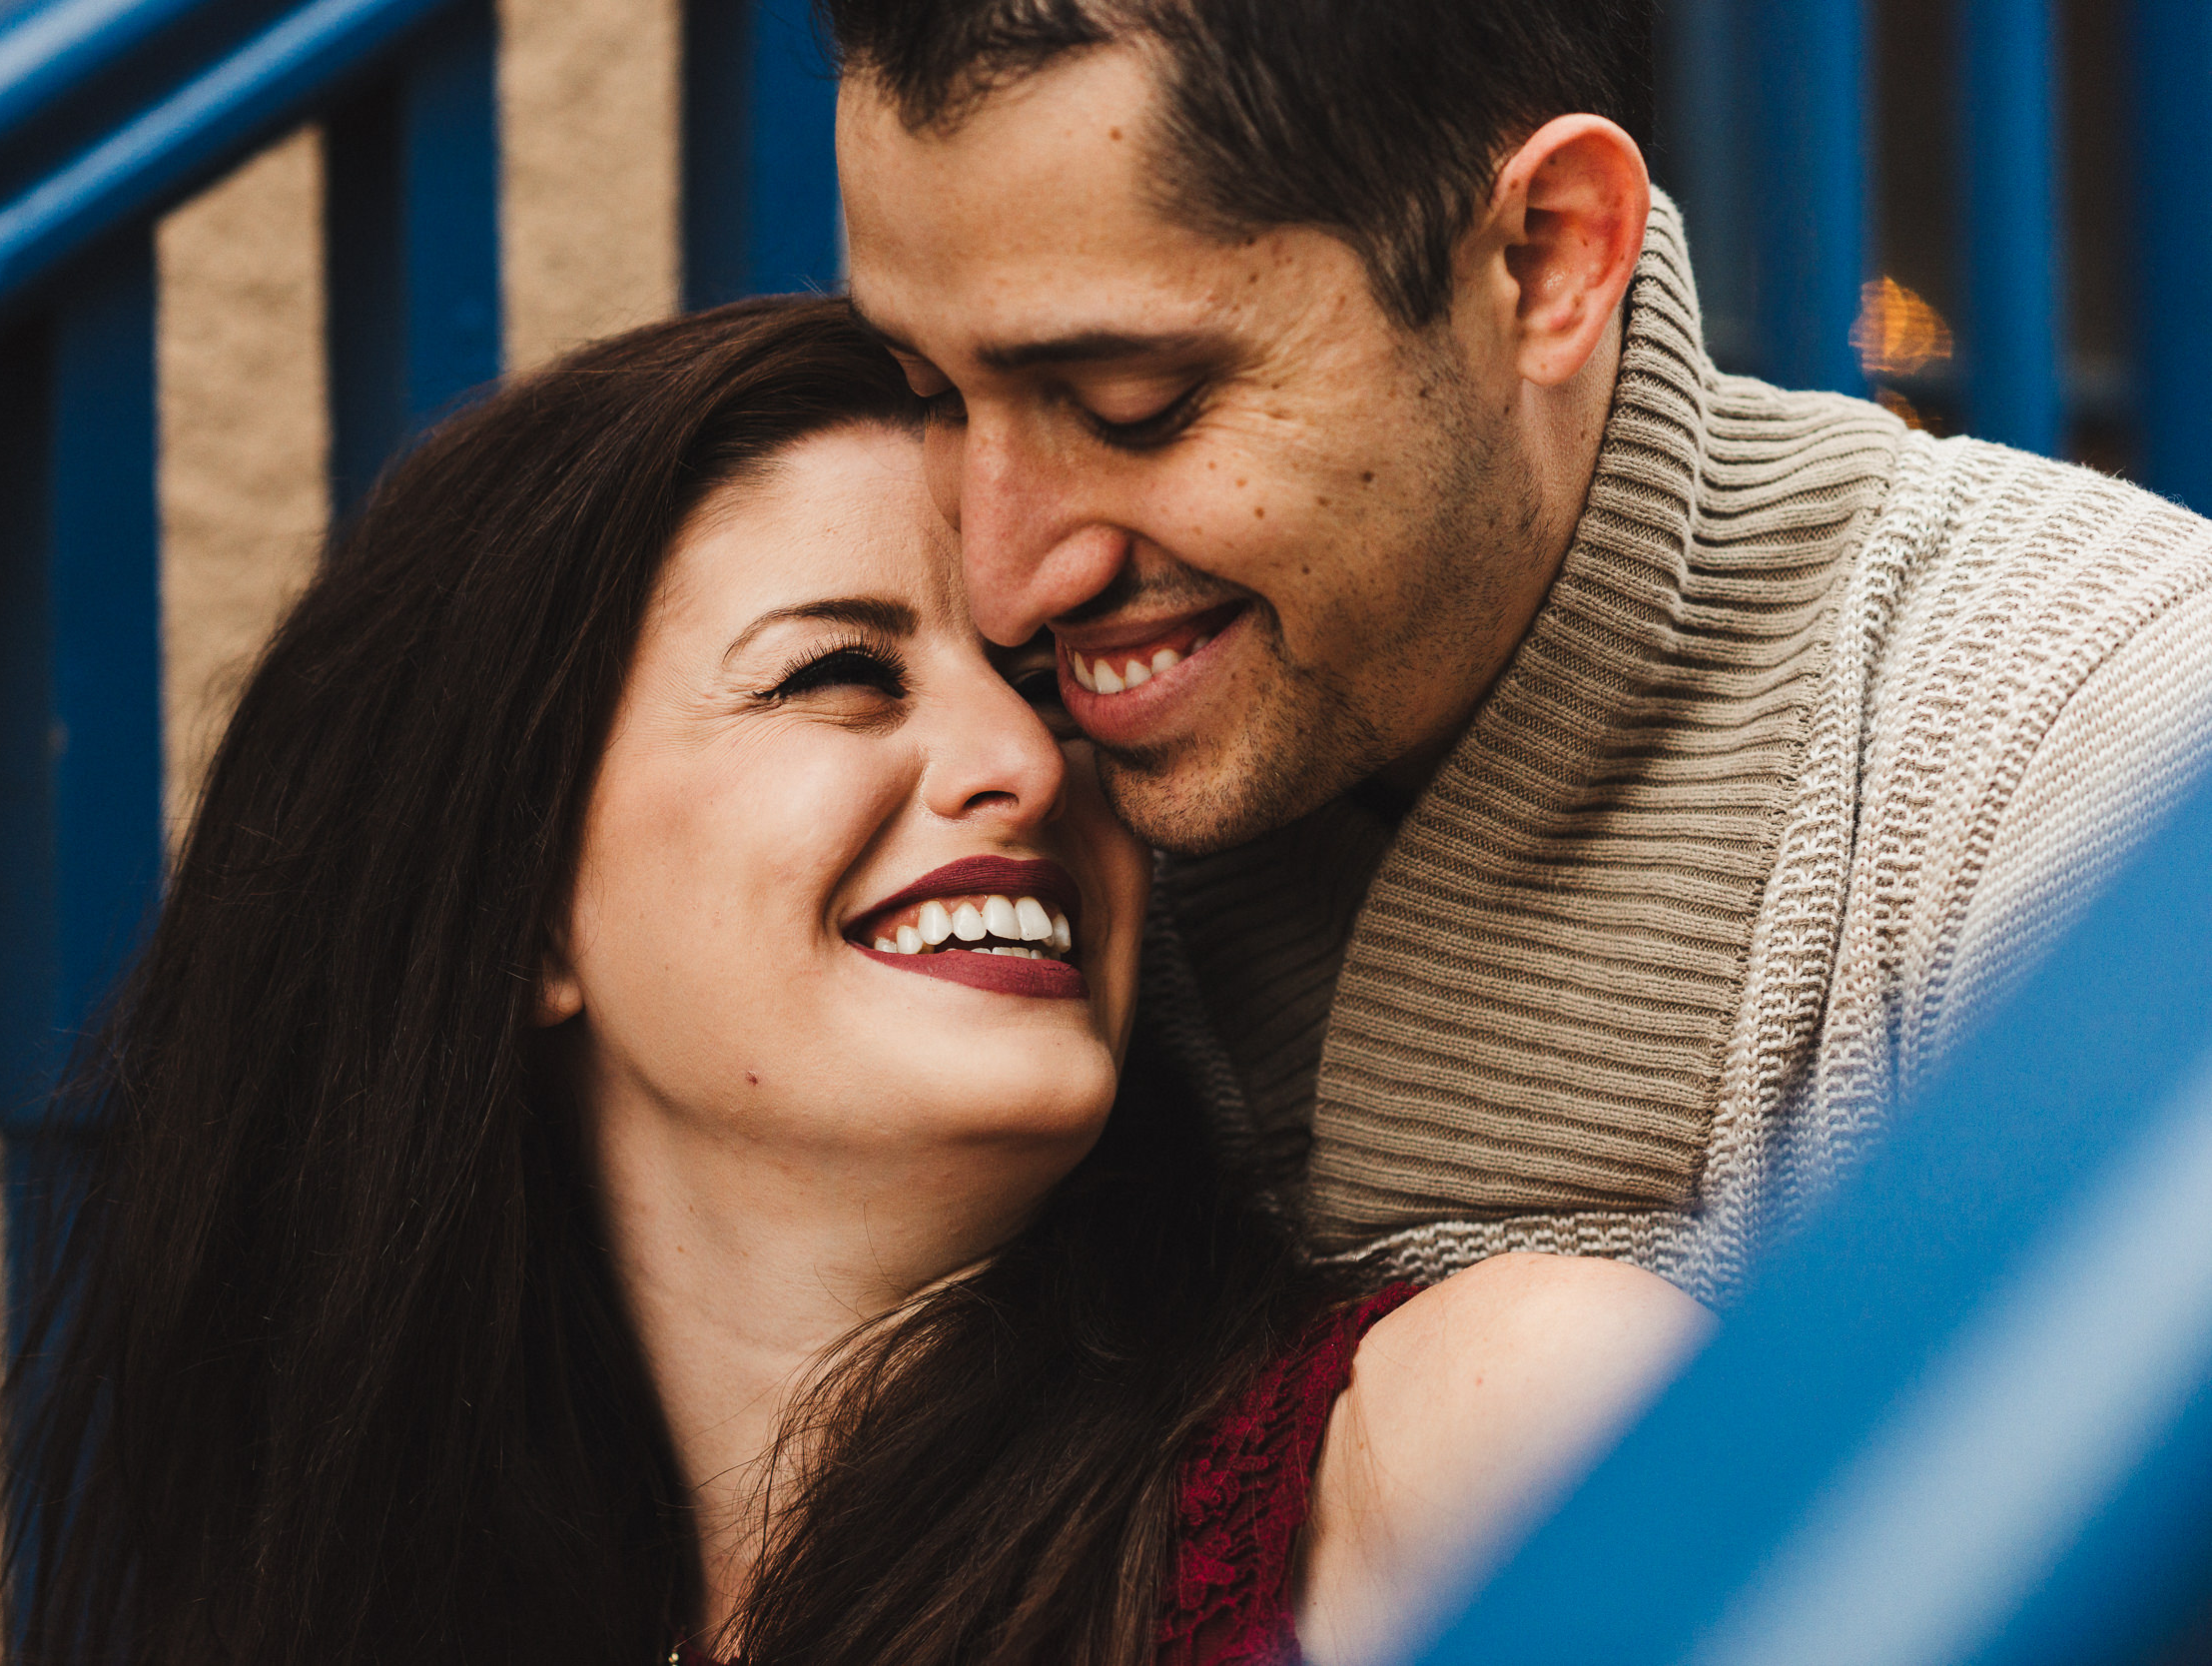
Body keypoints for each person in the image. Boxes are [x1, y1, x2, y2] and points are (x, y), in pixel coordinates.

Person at [0, 299, 1706, 1666]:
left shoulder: (1477, 1445)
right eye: (836, 676)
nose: (1022, 762)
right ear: (526, 920)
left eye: (1042, 679)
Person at [824, 0, 2212, 1300]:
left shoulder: (2100, 738)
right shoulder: (978, 800)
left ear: (1548, 256)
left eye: (1138, 403)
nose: (1004, 585)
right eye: (930, 397)